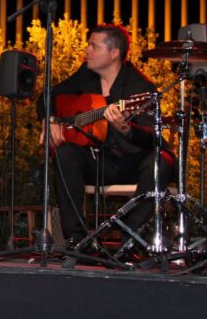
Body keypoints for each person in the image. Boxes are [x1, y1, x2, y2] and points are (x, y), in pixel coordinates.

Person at [38, 24, 174, 251]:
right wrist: (49, 119)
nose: (87, 50)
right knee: (65, 153)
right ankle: (77, 239)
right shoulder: (86, 75)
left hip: (132, 162)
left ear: (114, 53)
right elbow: (47, 96)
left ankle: (131, 236)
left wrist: (126, 130)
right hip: (100, 161)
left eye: (93, 46)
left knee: (160, 161)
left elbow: (152, 138)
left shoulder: (138, 87)